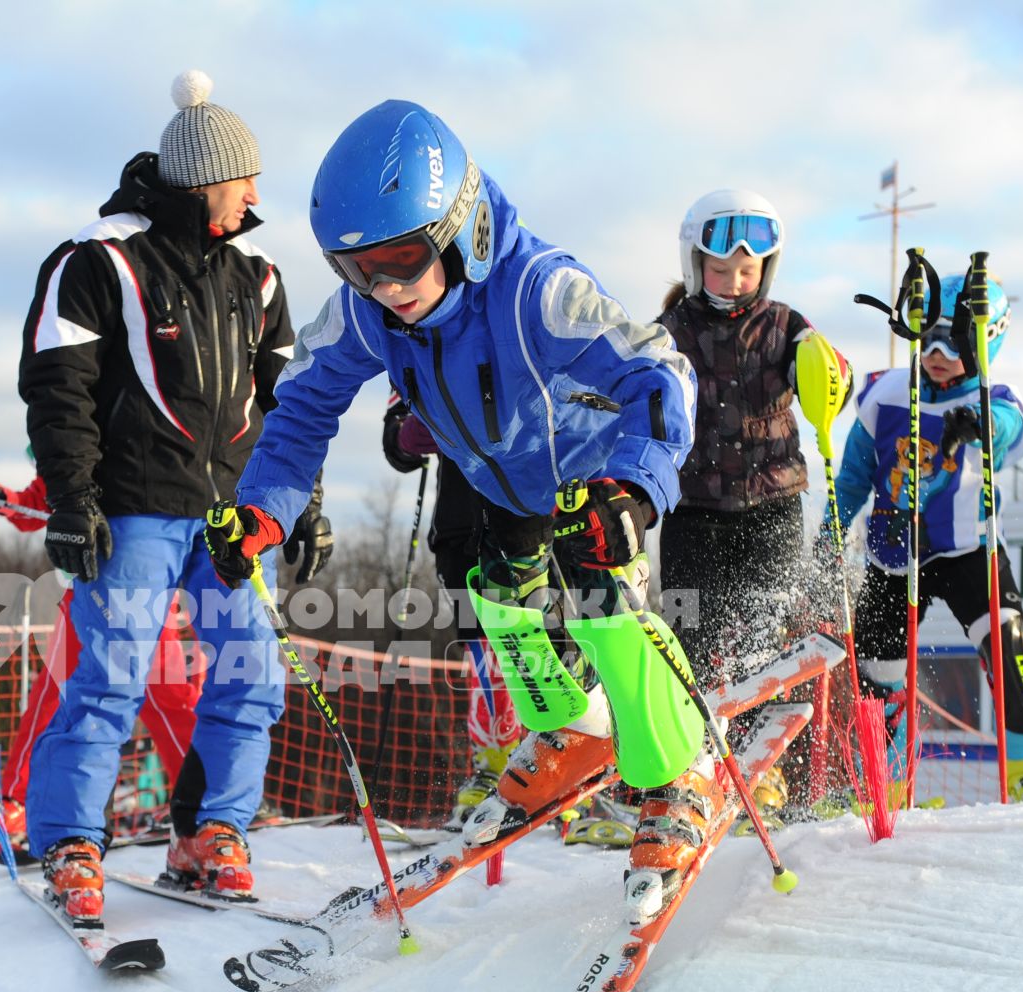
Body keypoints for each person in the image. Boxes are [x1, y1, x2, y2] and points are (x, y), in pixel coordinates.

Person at [210, 100, 719, 925]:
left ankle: (672, 774)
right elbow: (302, 409)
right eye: (356, 267)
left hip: (589, 477)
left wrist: (634, 490)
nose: (386, 287)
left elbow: (664, 379)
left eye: (403, 258)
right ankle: (574, 731)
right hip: (500, 480)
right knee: (492, 597)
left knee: (603, 602)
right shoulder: (370, 311)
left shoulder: (539, 291)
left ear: (461, 229)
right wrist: (263, 513)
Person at [10, 71, 326, 925]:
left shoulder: (257, 273)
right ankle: (73, 842)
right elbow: (57, 385)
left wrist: (302, 504)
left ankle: (211, 831)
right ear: (200, 177)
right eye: (244, 179)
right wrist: (73, 501)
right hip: (137, 505)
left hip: (233, 514)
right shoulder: (100, 257)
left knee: (251, 675)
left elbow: (290, 406)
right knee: (110, 675)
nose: (257, 196)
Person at [835, 264, 1023, 804]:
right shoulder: (884, 394)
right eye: (929, 338)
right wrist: (831, 531)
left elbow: (1008, 430)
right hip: (895, 556)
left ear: (987, 343)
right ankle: (883, 784)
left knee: (1008, 641)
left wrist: (981, 422)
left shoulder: (994, 396)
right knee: (878, 669)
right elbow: (852, 476)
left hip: (970, 551)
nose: (938, 354)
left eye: (954, 341)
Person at [655, 189, 846, 817]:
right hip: (693, 511)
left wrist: (826, 373)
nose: (735, 282)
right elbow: (631, 385)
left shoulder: (786, 325)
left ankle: (762, 773)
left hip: (771, 509)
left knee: (762, 639)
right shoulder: (672, 330)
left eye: (748, 271)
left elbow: (827, 375)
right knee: (691, 638)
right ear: (694, 263)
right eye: (720, 268)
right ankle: (688, 770)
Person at [0, 471, 202, 849]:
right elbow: (41, 497)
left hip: (150, 586)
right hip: (92, 587)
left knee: (169, 695)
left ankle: (205, 801)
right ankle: (17, 803)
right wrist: (1, 496)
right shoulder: (75, 443)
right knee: (55, 695)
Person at [380, 390, 521, 828]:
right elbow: (395, 440)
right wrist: (410, 435)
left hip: (523, 514)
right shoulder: (417, 344)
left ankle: (548, 761)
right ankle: (491, 765)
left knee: (534, 646)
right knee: (481, 652)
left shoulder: (518, 327)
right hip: (459, 528)